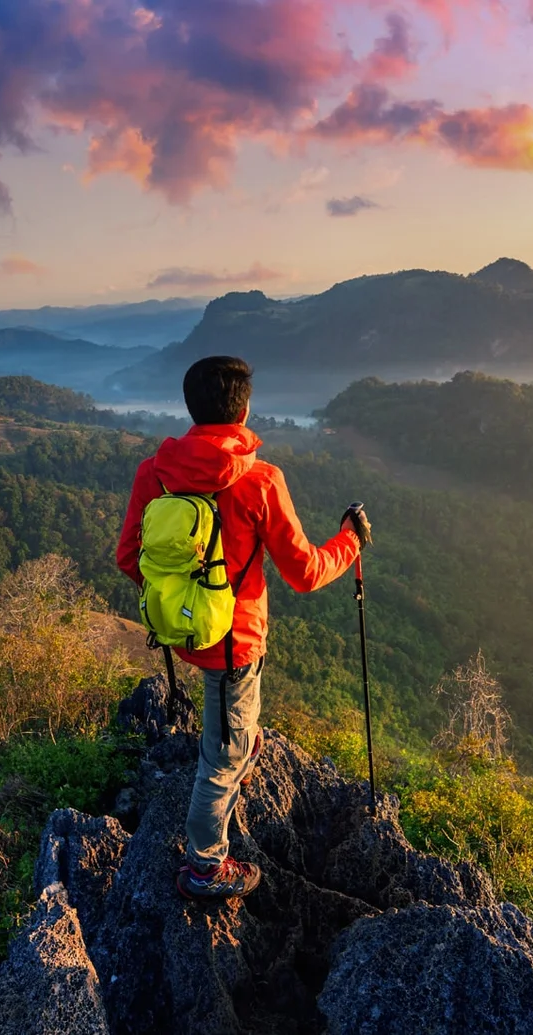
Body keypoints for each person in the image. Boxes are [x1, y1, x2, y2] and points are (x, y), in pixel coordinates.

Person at [116, 356, 371, 901]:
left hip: (185, 634)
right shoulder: (261, 480)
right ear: (245, 409)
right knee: (220, 759)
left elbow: (128, 557)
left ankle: (241, 744)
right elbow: (303, 573)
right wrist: (349, 543)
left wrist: (180, 599)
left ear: (190, 408)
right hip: (236, 643)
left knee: (232, 726)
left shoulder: (155, 473)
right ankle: (205, 867)